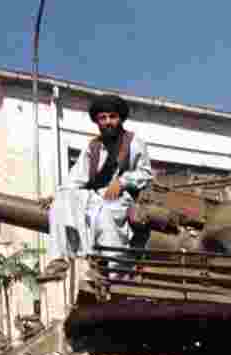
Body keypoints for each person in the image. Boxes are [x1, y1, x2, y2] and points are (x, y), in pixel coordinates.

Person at [41, 94, 154, 277]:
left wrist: (123, 181)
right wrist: (57, 195)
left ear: (120, 119)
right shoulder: (92, 147)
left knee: (105, 215)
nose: (108, 121)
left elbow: (146, 173)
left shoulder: (134, 143)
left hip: (120, 198)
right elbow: (75, 179)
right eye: (103, 118)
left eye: (112, 117)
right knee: (63, 199)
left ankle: (113, 271)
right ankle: (59, 260)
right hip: (94, 196)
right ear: (97, 122)